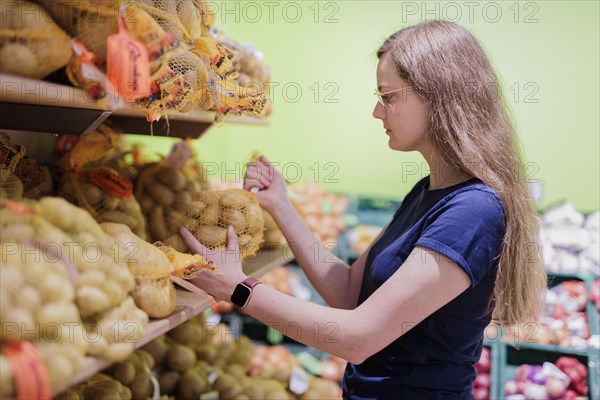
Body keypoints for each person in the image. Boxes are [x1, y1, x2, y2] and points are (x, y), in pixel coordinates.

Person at [180, 20, 547, 400]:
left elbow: (359, 338)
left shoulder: (474, 210)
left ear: (438, 96)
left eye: (388, 97)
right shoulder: (428, 191)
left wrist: (238, 289)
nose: (377, 111)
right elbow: (349, 292)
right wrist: (281, 206)